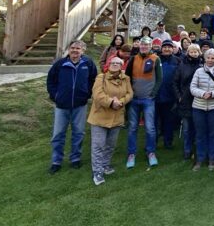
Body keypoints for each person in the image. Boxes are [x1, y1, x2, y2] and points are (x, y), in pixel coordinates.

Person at [46, 40, 98, 174]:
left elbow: (94, 79)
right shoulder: (60, 64)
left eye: (78, 48)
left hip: (80, 105)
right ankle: (56, 161)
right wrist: (55, 96)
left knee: (78, 133)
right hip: (62, 105)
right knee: (58, 134)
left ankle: (75, 158)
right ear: (69, 49)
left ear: (83, 51)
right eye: (73, 48)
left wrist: (87, 93)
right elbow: (51, 81)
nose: (75, 50)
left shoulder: (88, 63)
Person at [88, 57, 133, 185]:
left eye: (118, 63)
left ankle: (105, 165)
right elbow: (97, 94)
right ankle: (97, 171)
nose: (115, 65)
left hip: (117, 116)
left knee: (110, 145)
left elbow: (130, 93)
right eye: (112, 63)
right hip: (100, 117)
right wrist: (111, 102)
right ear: (109, 64)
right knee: (98, 146)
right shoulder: (100, 77)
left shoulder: (126, 79)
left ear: (121, 66)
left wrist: (122, 102)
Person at [124, 36, 163, 169]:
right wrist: (129, 93)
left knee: (150, 128)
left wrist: (153, 94)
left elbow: (159, 79)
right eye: (142, 45)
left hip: (148, 99)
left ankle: (151, 152)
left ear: (150, 46)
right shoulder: (133, 58)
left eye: (147, 45)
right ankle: (131, 154)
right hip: (134, 99)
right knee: (132, 127)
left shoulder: (155, 59)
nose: (144, 47)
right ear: (139, 46)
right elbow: (127, 77)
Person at [190, 48, 214, 171]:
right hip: (199, 107)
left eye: (213, 58)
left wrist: (212, 93)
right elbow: (192, 87)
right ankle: (200, 158)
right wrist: (202, 94)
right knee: (200, 134)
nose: (210, 60)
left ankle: (212, 158)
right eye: (208, 57)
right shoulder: (198, 71)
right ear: (205, 58)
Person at [173, 44, 202, 160]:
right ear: (188, 52)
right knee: (186, 128)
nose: (194, 53)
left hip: (198, 99)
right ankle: (187, 150)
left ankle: (197, 150)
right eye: (192, 51)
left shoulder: (202, 65)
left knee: (198, 128)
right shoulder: (182, 65)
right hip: (185, 100)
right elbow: (175, 82)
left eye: (196, 51)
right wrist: (179, 96)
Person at [157, 39, 181, 150]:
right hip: (156, 95)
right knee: (155, 122)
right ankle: (153, 142)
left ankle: (168, 142)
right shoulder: (156, 59)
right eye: (165, 47)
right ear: (161, 48)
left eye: (169, 47)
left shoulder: (178, 61)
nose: (167, 49)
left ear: (173, 49)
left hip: (171, 96)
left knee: (169, 121)